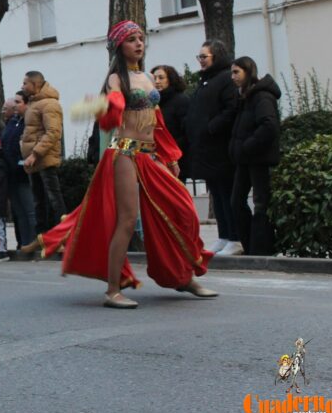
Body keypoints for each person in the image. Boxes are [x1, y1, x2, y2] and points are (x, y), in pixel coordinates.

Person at [22, 21, 215, 309]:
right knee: (126, 219)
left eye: (141, 38)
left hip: (149, 155)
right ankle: (113, 290)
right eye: (131, 40)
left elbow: (157, 122)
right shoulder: (116, 78)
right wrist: (109, 105)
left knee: (182, 208)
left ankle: (182, 276)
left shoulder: (147, 77)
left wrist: (170, 156)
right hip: (124, 152)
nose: (139, 44)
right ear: (119, 46)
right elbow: (111, 111)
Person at [185, 39, 241, 255]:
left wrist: (211, 127)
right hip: (207, 149)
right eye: (199, 57)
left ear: (216, 57)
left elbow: (230, 109)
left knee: (226, 194)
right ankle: (224, 235)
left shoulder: (225, 79)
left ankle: (235, 237)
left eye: (204, 56)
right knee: (216, 194)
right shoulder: (206, 81)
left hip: (220, 149)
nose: (200, 61)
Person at [229, 57, 281, 257]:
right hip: (246, 159)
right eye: (232, 72)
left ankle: (261, 249)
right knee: (237, 201)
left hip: (259, 159)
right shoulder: (245, 97)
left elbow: (269, 126)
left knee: (261, 204)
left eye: (237, 72)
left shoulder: (262, 97)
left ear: (248, 72)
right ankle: (251, 246)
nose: (233, 77)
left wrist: (247, 146)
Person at [20, 71, 66, 234]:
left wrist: (35, 154)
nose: (22, 86)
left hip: (44, 160)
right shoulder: (34, 103)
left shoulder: (49, 104)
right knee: (39, 201)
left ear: (36, 84)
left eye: (25, 83)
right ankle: (42, 237)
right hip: (34, 161)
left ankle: (61, 234)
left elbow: (53, 132)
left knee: (54, 199)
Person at [1, 93, 35, 250]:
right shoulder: (13, 122)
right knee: (19, 212)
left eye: (18, 102)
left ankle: (33, 243)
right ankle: (24, 243)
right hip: (11, 172)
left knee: (29, 210)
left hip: (23, 172)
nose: (14, 105)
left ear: (27, 104)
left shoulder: (30, 122)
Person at [152, 65, 190, 180]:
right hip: (155, 157)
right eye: (154, 78)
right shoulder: (152, 103)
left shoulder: (181, 100)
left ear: (171, 79)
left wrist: (171, 152)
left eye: (161, 78)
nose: (157, 81)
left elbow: (187, 131)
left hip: (176, 158)